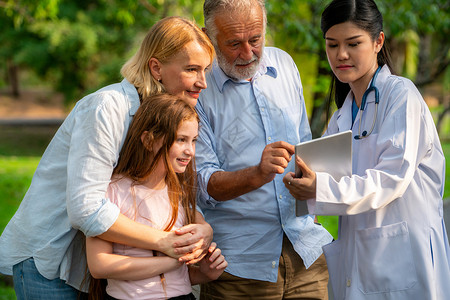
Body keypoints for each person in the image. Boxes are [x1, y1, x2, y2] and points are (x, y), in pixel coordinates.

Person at [0, 16, 215, 299]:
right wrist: (167, 243)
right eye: (192, 69)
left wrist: (204, 230)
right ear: (156, 68)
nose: (203, 82)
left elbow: (170, 192)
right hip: (50, 260)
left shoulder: (167, 119)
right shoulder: (106, 108)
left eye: (205, 71)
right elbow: (86, 209)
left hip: (98, 267)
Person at [284, 0, 450, 299]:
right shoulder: (343, 116)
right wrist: (301, 187)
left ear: (378, 41)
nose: (341, 55)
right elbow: (321, 185)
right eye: (332, 45)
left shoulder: (401, 96)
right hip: (359, 259)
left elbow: (390, 180)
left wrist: (317, 189)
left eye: (353, 43)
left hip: (403, 255)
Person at [195, 0, 333, 299]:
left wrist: (312, 204)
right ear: (208, 37)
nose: (248, 53)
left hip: (305, 252)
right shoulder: (198, 88)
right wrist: (258, 173)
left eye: (255, 39)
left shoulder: (284, 65)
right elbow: (202, 184)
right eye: (234, 43)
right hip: (239, 267)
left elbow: (304, 144)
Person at [86, 93, 228, 300]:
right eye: (181, 139)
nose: (190, 151)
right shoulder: (113, 190)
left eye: (193, 140)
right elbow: (99, 265)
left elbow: (180, 276)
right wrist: (175, 260)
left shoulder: (181, 192)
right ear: (148, 140)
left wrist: (205, 272)